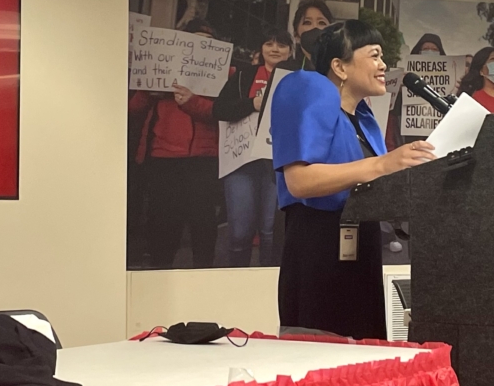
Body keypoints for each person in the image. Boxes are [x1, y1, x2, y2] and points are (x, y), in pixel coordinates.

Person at [271, 20, 436, 339]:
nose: (383, 65)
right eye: (374, 55)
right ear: (339, 67)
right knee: (325, 367)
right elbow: (300, 182)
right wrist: (382, 164)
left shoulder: (362, 118)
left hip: (364, 252)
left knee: (364, 357)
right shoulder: (308, 88)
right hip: (320, 252)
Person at [128, 18, 220, 269]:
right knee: (163, 223)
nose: (203, 47)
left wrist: (191, 101)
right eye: (197, 41)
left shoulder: (224, 73)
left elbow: (221, 112)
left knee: (203, 223)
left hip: (204, 157)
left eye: (209, 43)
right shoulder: (160, 67)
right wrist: (148, 89)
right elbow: (133, 109)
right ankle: (160, 272)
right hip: (164, 158)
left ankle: (204, 275)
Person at [212, 30, 294, 267]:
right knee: (239, 232)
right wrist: (252, 104)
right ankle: (238, 282)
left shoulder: (297, 78)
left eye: (281, 44)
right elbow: (219, 110)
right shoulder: (243, 75)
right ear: (261, 49)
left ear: (290, 50)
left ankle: (270, 284)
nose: (275, 49)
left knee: (271, 232)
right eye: (269, 43)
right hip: (241, 162)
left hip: (278, 164)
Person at [292, 0, 334, 71]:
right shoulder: (284, 70)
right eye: (307, 22)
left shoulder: (341, 72)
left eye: (321, 23)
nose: (315, 27)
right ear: (296, 35)